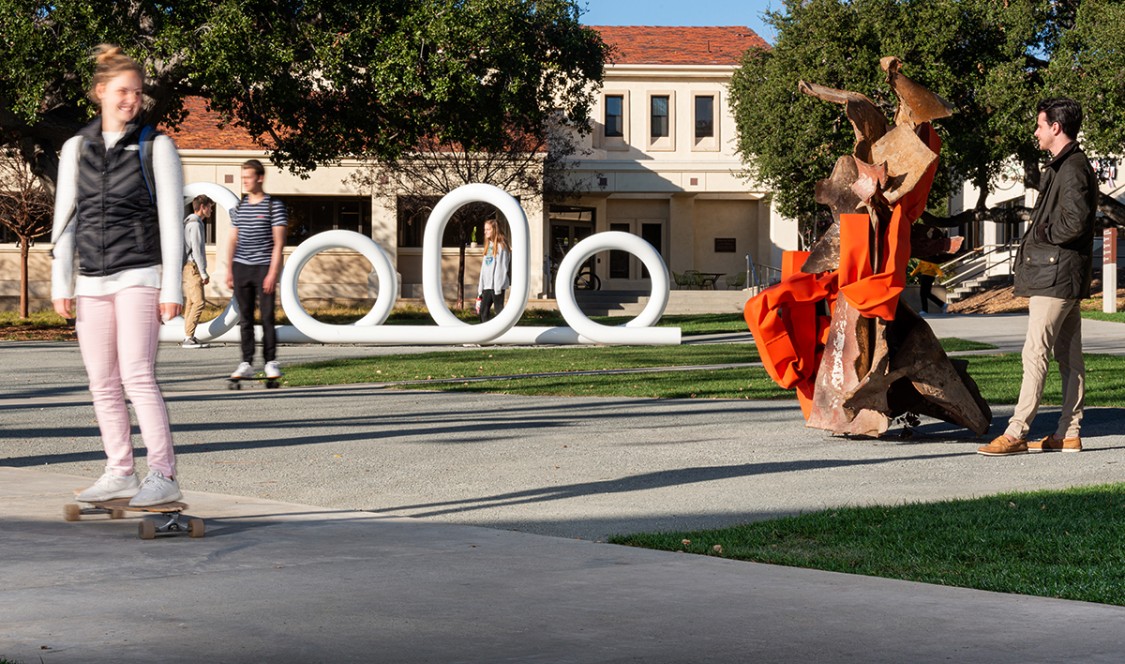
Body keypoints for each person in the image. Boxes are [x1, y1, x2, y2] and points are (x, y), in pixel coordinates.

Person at [50, 44, 185, 506]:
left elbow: (172, 220)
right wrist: (60, 281)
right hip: (91, 280)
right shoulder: (75, 149)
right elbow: (66, 218)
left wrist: (172, 287)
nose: (132, 100)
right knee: (102, 382)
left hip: (140, 275)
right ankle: (120, 470)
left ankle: (163, 473)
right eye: (123, 91)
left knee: (136, 376)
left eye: (139, 92)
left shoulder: (156, 145)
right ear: (101, 91)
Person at [978, 98, 1097, 457]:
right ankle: (1069, 432)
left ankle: (1016, 432)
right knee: (1069, 356)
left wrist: (1043, 232)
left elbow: (1074, 222)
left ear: (1056, 128)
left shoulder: (1072, 168)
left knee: (1035, 353)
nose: (1036, 132)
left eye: (1040, 125)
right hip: (1063, 274)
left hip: (1056, 275)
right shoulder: (1067, 166)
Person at [225, 159, 288, 380]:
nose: (245, 182)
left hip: (263, 268)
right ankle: (246, 363)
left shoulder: (274, 206)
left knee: (268, 317)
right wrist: (229, 270)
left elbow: (279, 243)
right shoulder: (239, 207)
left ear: (260, 178)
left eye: (248, 178)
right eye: (243, 178)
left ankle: (271, 362)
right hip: (241, 267)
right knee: (246, 319)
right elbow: (232, 240)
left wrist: (272, 273)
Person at [182, 194, 213, 348]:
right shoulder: (195, 224)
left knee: (191, 302)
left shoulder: (188, 222)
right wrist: (204, 273)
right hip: (193, 267)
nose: (211, 211)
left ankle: (189, 335)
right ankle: (188, 338)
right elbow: (197, 250)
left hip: (187, 268)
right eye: (210, 208)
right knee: (199, 303)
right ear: (203, 207)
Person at [477, 216, 510, 322]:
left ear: (494, 230)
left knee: (499, 311)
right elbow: (484, 268)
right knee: (483, 311)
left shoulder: (501, 246)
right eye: (484, 229)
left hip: (496, 286)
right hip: (487, 286)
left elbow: (502, 268)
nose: (485, 232)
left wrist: (498, 287)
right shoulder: (488, 246)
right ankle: (486, 335)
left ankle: (503, 335)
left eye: (488, 229)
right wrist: (480, 288)